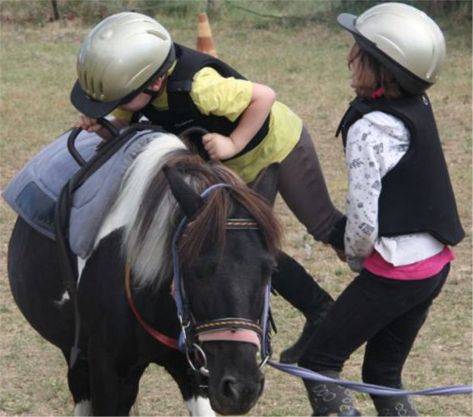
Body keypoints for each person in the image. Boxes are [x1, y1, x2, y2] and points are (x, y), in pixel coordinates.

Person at [70, 12, 346, 363]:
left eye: (117, 99)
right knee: (243, 241)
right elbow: (126, 120)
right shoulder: (143, 88)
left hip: (276, 144)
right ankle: (319, 309)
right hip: (233, 165)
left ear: (153, 84)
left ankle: (374, 270)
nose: (115, 107)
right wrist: (104, 123)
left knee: (322, 225)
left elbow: (264, 96)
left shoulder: (200, 87)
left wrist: (232, 143)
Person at [298, 3, 465, 416]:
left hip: (396, 272)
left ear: (382, 69)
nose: (348, 58)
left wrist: (352, 253)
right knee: (382, 374)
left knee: (318, 362)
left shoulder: (369, 128)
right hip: (433, 265)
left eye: (358, 51)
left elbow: (363, 224)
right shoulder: (416, 103)